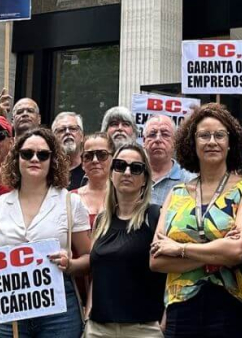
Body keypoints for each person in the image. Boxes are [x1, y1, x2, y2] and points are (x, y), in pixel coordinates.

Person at [150, 104, 242, 338]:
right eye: (204, 135)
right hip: (181, 309)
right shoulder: (176, 193)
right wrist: (217, 253)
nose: (212, 141)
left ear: (230, 143)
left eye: (220, 135)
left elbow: (236, 251)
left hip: (232, 306)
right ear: (193, 142)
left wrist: (179, 249)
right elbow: (157, 260)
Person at [0, 127, 91, 338]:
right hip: (9, 307)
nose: (34, 158)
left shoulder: (70, 202)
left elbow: (89, 257)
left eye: (43, 154)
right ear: (16, 158)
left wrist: (71, 264)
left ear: (53, 160)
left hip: (59, 311)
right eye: (27, 153)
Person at [69, 143, 165, 338]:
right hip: (99, 328)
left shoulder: (155, 216)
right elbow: (98, 272)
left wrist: (163, 322)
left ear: (145, 178)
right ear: (112, 173)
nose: (127, 172)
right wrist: (88, 316)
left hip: (143, 328)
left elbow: (170, 272)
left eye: (136, 168)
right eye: (120, 166)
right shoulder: (102, 220)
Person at [143, 115, 194, 206]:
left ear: (175, 141)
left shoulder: (189, 180)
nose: (158, 139)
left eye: (165, 134)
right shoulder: (134, 173)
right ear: (144, 141)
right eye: (152, 134)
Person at [76, 133, 113, 226]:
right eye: (88, 156)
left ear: (113, 158)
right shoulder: (70, 198)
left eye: (102, 155)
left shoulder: (124, 196)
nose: (95, 160)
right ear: (82, 163)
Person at [52, 112, 86, 190]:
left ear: (82, 136)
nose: (67, 132)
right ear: (53, 139)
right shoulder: (48, 171)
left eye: (73, 128)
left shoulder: (90, 169)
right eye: (61, 130)